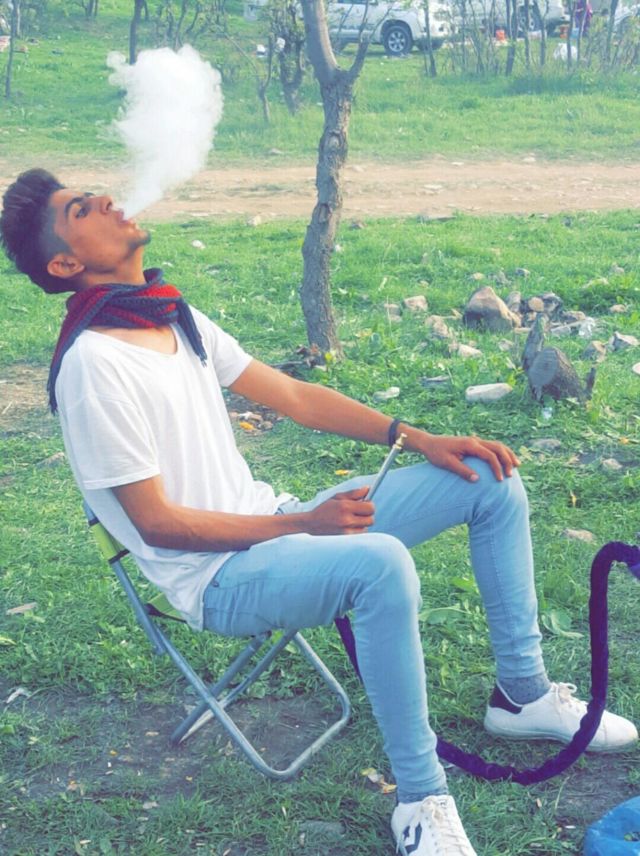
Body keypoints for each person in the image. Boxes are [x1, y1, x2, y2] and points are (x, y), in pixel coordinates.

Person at [1, 168, 637, 856]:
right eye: (81, 210)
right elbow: (157, 525)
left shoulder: (170, 315)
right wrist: (305, 525)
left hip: (276, 526)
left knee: (486, 477)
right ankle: (421, 798)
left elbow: (296, 397)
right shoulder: (93, 366)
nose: (106, 200)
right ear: (65, 265)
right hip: (215, 578)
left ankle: (521, 695)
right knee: (379, 564)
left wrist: (416, 436)